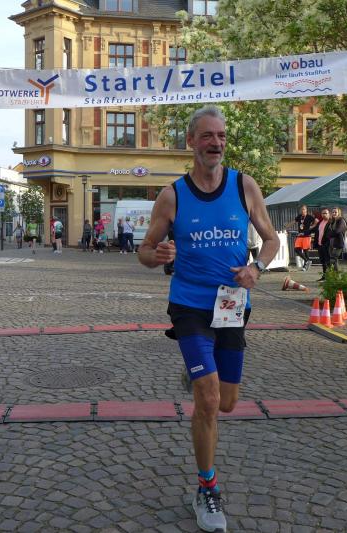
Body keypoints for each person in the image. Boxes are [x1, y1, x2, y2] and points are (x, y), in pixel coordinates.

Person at [138, 106, 279, 533]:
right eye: (207, 136)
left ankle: (198, 373)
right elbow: (145, 250)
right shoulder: (173, 196)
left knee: (228, 401)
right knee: (209, 398)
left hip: (232, 304)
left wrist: (256, 268)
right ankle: (207, 488)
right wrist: (157, 255)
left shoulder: (244, 186)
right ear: (191, 142)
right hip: (190, 305)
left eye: (221, 136)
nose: (215, 143)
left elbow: (271, 240)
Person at [286, 205, 317, 270]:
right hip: (300, 235)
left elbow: (317, 221)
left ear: (306, 210)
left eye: (303, 209)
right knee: (296, 249)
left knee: (305, 251)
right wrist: (287, 226)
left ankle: (305, 266)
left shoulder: (309, 217)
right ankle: (307, 261)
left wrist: (312, 226)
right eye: (301, 209)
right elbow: (294, 221)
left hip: (306, 235)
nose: (302, 211)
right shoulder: (299, 216)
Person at [316, 208, 331, 280]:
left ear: (329, 214)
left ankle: (330, 277)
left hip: (327, 245)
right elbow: (315, 230)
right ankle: (324, 276)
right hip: (320, 244)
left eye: (326, 213)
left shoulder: (331, 222)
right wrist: (305, 232)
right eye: (323, 213)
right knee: (323, 261)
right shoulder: (320, 222)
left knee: (328, 261)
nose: (324, 215)